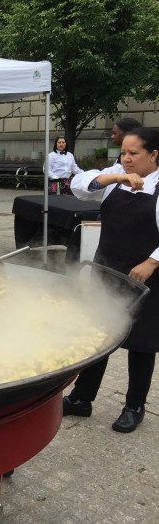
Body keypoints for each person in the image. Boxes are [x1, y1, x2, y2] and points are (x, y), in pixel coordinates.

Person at [63, 127, 159, 433]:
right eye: (124, 153)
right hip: (107, 270)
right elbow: (79, 186)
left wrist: (152, 261)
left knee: (141, 343)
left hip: (145, 278)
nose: (126, 159)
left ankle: (134, 405)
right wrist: (118, 177)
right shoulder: (115, 177)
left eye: (134, 153)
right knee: (99, 335)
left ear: (154, 155)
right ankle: (81, 399)